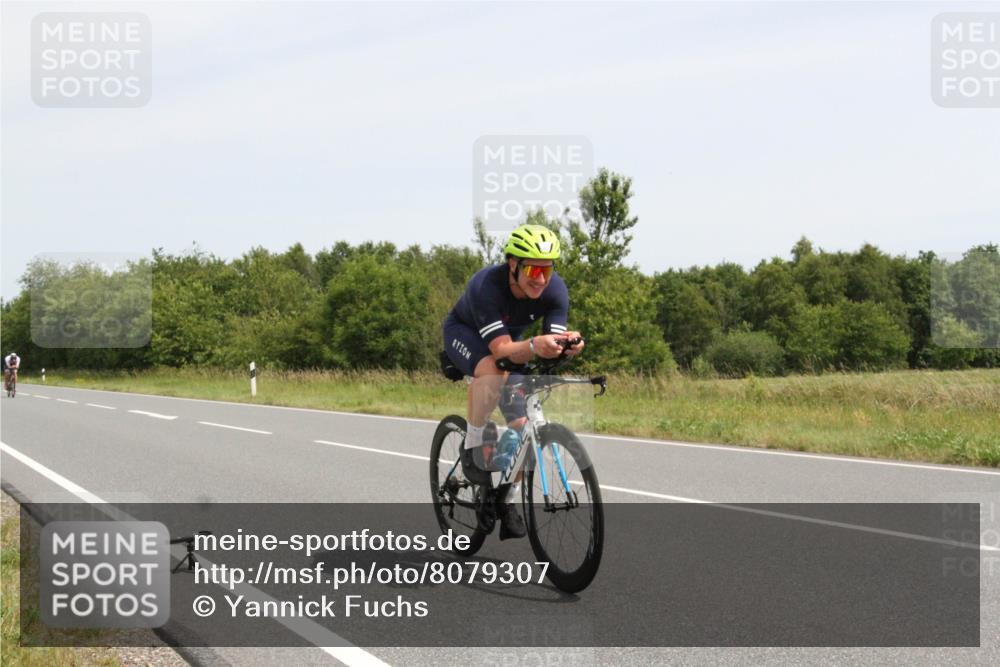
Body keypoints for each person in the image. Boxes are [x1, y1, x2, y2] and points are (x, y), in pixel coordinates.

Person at [442, 224, 583, 539]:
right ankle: (472, 444)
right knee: (494, 369)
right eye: (533, 268)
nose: (541, 278)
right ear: (513, 264)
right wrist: (534, 345)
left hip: (510, 343)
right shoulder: (487, 287)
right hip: (466, 334)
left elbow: (551, 345)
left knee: (523, 425)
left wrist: (569, 346)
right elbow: (503, 351)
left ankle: (506, 497)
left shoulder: (555, 290)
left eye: (547, 269)